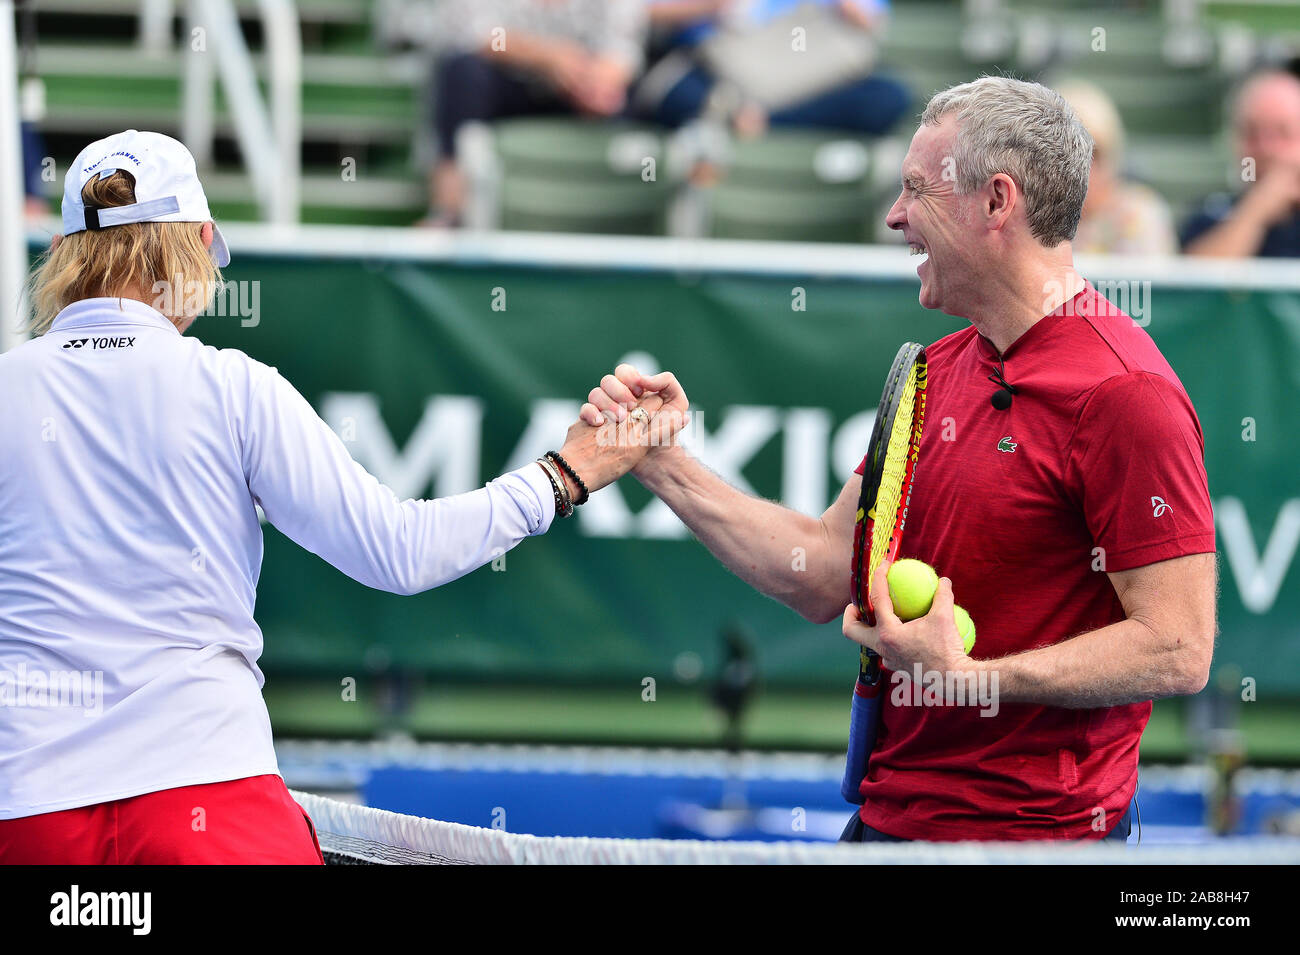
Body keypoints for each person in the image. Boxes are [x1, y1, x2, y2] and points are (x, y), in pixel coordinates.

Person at [0, 130, 672, 864]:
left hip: (28, 810)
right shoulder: (232, 387)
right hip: (206, 791)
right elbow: (400, 550)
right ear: (194, 244)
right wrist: (563, 474)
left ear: (66, 255)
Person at [581, 77, 1217, 842]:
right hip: (890, 825)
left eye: (917, 189)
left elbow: (1179, 646)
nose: (894, 216)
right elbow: (820, 569)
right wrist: (660, 462)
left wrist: (978, 681)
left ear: (996, 202)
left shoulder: (1128, 393)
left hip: (1038, 843)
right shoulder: (930, 373)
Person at [421, 0, 649, 227]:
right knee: (462, 73)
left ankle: (621, 216)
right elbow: (479, 36)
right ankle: (449, 211)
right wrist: (546, 58)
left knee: (625, 104)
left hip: (583, 91)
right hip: (505, 80)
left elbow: (623, 48)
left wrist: (596, 84)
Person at [637, 0, 908, 139]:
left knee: (887, 96)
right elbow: (639, 13)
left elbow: (869, 21)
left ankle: (755, 119)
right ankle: (740, 115)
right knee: (674, 93)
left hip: (806, 80)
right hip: (719, 68)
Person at [1182, 69, 1300, 258]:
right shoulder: (1211, 214)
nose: (1266, 149)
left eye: (1283, 132)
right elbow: (1197, 280)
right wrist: (1254, 211)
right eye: (1252, 133)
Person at [1055, 80, 1177, 256]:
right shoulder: (1035, 217)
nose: (1082, 169)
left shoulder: (1140, 214)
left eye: (1094, 156)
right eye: (1068, 155)